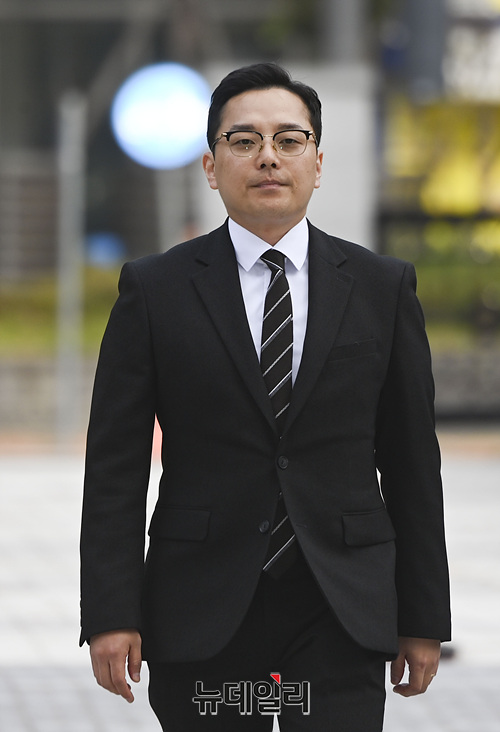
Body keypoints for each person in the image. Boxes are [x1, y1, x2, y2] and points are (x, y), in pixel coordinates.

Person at [80, 62, 451, 731]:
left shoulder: (382, 287)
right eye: (244, 140)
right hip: (202, 606)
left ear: (318, 162)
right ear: (210, 165)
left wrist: (423, 617)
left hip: (340, 606)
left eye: (289, 139)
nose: (268, 157)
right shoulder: (155, 290)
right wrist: (111, 614)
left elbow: (412, 464)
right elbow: (115, 468)